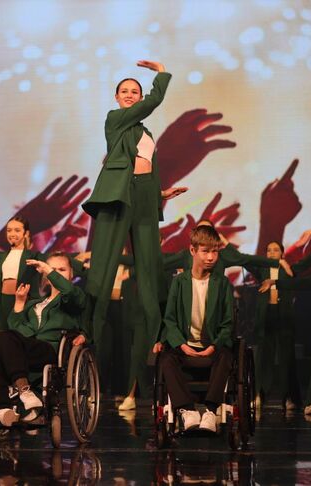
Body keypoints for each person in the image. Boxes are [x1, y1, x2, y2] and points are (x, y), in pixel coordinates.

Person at [82, 61, 187, 410]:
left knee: (151, 271)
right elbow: (153, 102)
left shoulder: (145, 131)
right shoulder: (116, 119)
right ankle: (87, 329)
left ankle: (159, 336)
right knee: (103, 268)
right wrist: (162, 74)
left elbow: (146, 168)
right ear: (117, 97)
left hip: (144, 197)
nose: (129, 95)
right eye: (125, 91)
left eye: (134, 92)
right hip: (117, 196)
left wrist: (160, 194)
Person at [0, 252, 88, 426]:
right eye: (52, 269)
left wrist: (48, 269)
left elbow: (69, 291)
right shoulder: (35, 303)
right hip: (25, 351)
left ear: (71, 274)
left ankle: (23, 390)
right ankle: (3, 409)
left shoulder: (73, 299)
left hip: (49, 350)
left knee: (5, 339)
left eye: (61, 269)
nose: (55, 272)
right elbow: (17, 331)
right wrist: (19, 303)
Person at [153, 226, 234, 433]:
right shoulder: (179, 282)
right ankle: (187, 410)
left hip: (212, 348)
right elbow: (170, 319)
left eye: (215, 251)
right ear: (192, 250)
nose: (211, 257)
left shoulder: (222, 283)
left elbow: (227, 323)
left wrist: (214, 346)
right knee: (166, 359)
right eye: (205, 251)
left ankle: (210, 411)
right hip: (185, 346)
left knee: (226, 355)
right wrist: (181, 344)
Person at [247, 239, 311, 411]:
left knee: (286, 358)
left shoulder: (289, 269)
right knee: (263, 358)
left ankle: (288, 397)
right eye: (269, 250)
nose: (271, 253)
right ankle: (259, 394)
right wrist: (223, 242)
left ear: (282, 253)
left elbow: (308, 261)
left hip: (284, 316)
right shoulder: (262, 270)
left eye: (276, 250)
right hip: (266, 316)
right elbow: (245, 260)